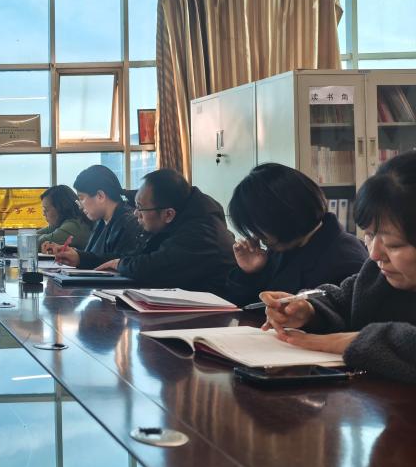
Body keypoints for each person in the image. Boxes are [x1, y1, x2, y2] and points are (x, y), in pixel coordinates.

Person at [261, 152, 416, 383]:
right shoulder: (375, 274)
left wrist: (353, 341)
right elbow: (342, 299)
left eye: (394, 244)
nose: (374, 254)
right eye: (369, 235)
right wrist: (307, 310)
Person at [225, 164, 367, 306]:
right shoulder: (283, 247)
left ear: (284, 215)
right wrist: (250, 273)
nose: (256, 236)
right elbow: (241, 307)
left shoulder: (346, 260)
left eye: (259, 226)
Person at [96, 168, 236, 294]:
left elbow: (152, 268)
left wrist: (119, 264)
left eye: (140, 207)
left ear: (168, 214)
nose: (135, 213)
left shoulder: (201, 232)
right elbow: (139, 256)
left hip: (218, 309)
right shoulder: (182, 214)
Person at [45, 165, 141, 268]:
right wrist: (74, 253)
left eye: (82, 198)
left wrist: (81, 258)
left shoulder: (129, 223)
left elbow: (122, 261)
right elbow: (95, 255)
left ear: (100, 196)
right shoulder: (101, 222)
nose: (80, 206)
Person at [36, 185, 91, 251]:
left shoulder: (73, 226)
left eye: (46, 210)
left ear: (60, 208)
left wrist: (35, 237)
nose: (43, 214)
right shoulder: (60, 223)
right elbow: (33, 235)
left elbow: (36, 243)